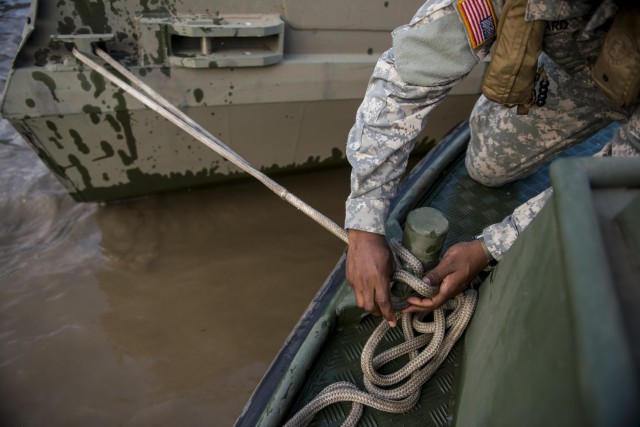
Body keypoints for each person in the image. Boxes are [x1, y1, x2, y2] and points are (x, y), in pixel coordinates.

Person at [345, 0, 640, 327]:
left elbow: (622, 170)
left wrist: (489, 248)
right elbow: (404, 79)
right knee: (485, 164)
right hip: (577, 77)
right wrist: (365, 223)